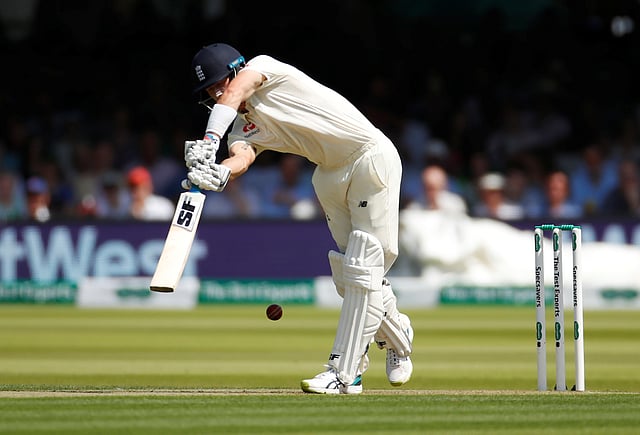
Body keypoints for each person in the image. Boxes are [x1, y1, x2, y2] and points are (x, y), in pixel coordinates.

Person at [184, 43, 413, 394]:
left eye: (219, 85)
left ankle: (344, 373)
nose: (217, 94)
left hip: (368, 156)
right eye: (210, 91)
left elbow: (237, 91)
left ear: (234, 71)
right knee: (349, 274)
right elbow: (241, 157)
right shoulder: (241, 126)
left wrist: (208, 138)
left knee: (363, 264)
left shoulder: (262, 69)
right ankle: (398, 335)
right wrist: (218, 173)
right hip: (328, 174)